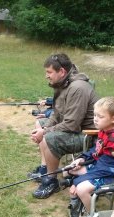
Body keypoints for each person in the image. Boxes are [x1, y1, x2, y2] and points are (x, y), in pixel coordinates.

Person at [29, 53, 98, 199]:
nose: (46, 76)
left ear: (61, 72)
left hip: (88, 136)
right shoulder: (63, 84)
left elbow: (72, 125)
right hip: (76, 129)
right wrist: (43, 128)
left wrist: (45, 132)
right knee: (40, 124)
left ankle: (51, 181)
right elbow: (56, 113)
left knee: (49, 138)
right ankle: (44, 170)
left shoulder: (77, 88)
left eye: (49, 72)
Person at [63, 96, 114, 217]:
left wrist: (79, 180)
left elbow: (109, 166)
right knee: (67, 170)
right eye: (95, 115)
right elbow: (96, 150)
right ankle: (78, 204)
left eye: (100, 116)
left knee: (81, 188)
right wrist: (82, 159)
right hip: (102, 166)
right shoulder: (104, 130)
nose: (95, 119)